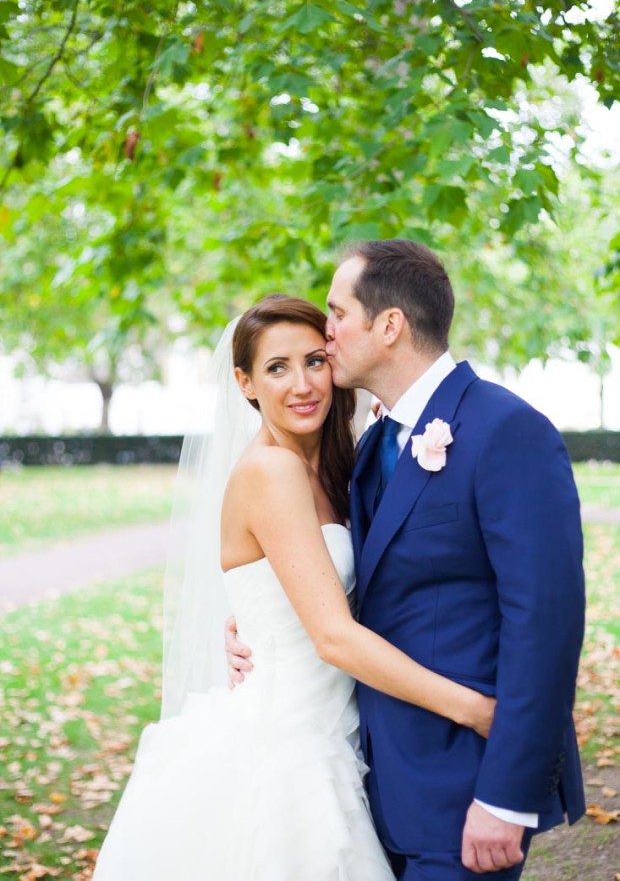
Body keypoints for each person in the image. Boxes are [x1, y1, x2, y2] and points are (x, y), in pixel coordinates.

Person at [91, 294, 496, 881]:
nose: (302, 384)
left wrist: (250, 619)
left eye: (313, 360)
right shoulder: (271, 470)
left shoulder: (336, 463)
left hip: (344, 730)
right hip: (285, 750)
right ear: (245, 383)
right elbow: (332, 637)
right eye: (276, 368)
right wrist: (475, 710)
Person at [227, 242, 586, 881]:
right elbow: (351, 585)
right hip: (368, 781)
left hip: (465, 786)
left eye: (336, 316)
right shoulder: (371, 446)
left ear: (388, 326)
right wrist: (255, 625)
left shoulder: (507, 431)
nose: (327, 333)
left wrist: (507, 793)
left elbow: (545, 623)